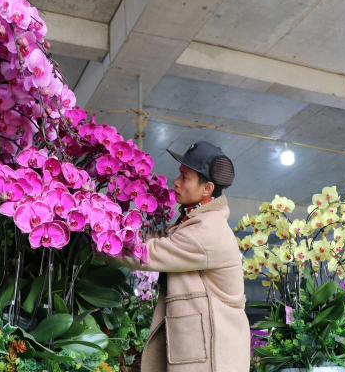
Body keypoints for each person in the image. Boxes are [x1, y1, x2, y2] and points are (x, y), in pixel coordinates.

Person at [97, 141, 250, 372]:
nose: (176, 182)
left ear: (207, 189)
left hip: (212, 357)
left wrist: (95, 242)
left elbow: (148, 253)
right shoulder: (192, 221)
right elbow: (155, 237)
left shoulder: (207, 231)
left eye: (185, 177)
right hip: (202, 346)